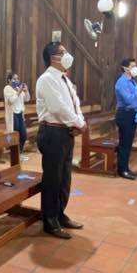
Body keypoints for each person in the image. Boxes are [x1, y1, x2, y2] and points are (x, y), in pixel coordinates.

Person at [36, 42, 85, 239]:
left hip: (65, 132)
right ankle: (49, 221)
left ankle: (59, 214)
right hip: (52, 133)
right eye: (62, 52)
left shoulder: (64, 79)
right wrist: (77, 123)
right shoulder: (47, 79)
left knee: (65, 178)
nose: (67, 55)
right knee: (53, 179)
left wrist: (79, 122)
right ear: (52, 57)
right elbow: (58, 108)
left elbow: (74, 104)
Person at [114, 59, 137, 180]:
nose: (135, 68)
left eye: (135, 65)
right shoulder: (121, 82)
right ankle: (122, 170)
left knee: (129, 143)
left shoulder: (132, 81)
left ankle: (126, 168)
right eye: (132, 66)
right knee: (124, 144)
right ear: (125, 68)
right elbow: (129, 100)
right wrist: (135, 92)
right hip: (124, 114)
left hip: (132, 114)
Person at [3, 72, 31, 155]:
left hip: (20, 114)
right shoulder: (7, 88)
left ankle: (19, 153)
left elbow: (27, 99)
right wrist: (19, 92)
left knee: (23, 135)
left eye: (17, 79)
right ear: (9, 80)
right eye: (14, 79)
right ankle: (14, 154)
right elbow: (11, 100)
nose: (17, 80)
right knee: (14, 136)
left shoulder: (18, 88)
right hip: (13, 115)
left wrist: (26, 91)